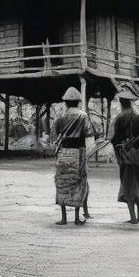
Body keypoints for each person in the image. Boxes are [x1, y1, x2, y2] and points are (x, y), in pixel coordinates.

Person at [52, 86, 94, 226]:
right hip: (79, 151)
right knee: (79, 182)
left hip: (64, 152)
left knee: (62, 182)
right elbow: (89, 133)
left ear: (65, 102)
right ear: (78, 102)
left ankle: (64, 218)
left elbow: (55, 134)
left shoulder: (61, 117)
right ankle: (76, 217)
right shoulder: (83, 115)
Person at [110, 89, 139, 224]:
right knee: (138, 183)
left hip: (126, 153)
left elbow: (114, 139)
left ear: (122, 103)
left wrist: (118, 153)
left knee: (128, 185)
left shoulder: (119, 118)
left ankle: (133, 217)